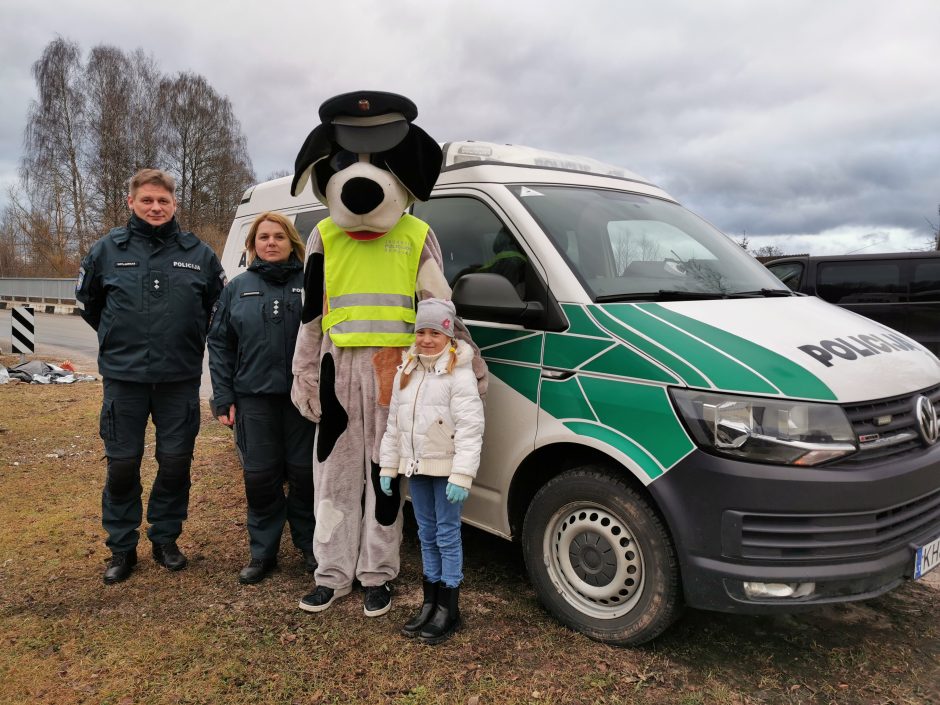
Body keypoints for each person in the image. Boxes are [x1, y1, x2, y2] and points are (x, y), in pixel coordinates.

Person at [76, 168, 226, 584]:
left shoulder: (200, 255)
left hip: (178, 380)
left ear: (175, 203)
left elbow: (217, 309)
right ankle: (122, 548)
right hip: (124, 381)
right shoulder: (106, 251)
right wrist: (119, 338)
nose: (156, 208)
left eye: (163, 201)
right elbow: (91, 306)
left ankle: (165, 539)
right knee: (122, 465)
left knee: (175, 464)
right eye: (147, 200)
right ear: (131, 202)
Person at [207, 212, 316, 584]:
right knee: (260, 477)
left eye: (279, 237)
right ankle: (263, 553)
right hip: (254, 400)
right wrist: (223, 396)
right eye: (263, 237)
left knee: (305, 476)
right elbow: (220, 344)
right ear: (252, 245)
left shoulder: (313, 283)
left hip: (304, 400)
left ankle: (311, 547)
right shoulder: (237, 288)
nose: (271, 243)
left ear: (292, 242)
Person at [378, 298, 484, 644]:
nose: (426, 339)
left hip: (447, 468)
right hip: (416, 466)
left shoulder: (459, 374)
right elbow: (394, 424)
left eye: (434, 332)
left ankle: (449, 606)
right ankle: (430, 600)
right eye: (421, 331)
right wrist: (389, 466)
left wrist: (462, 475)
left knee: (447, 533)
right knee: (425, 532)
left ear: (448, 335)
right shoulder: (406, 371)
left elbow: (471, 427)